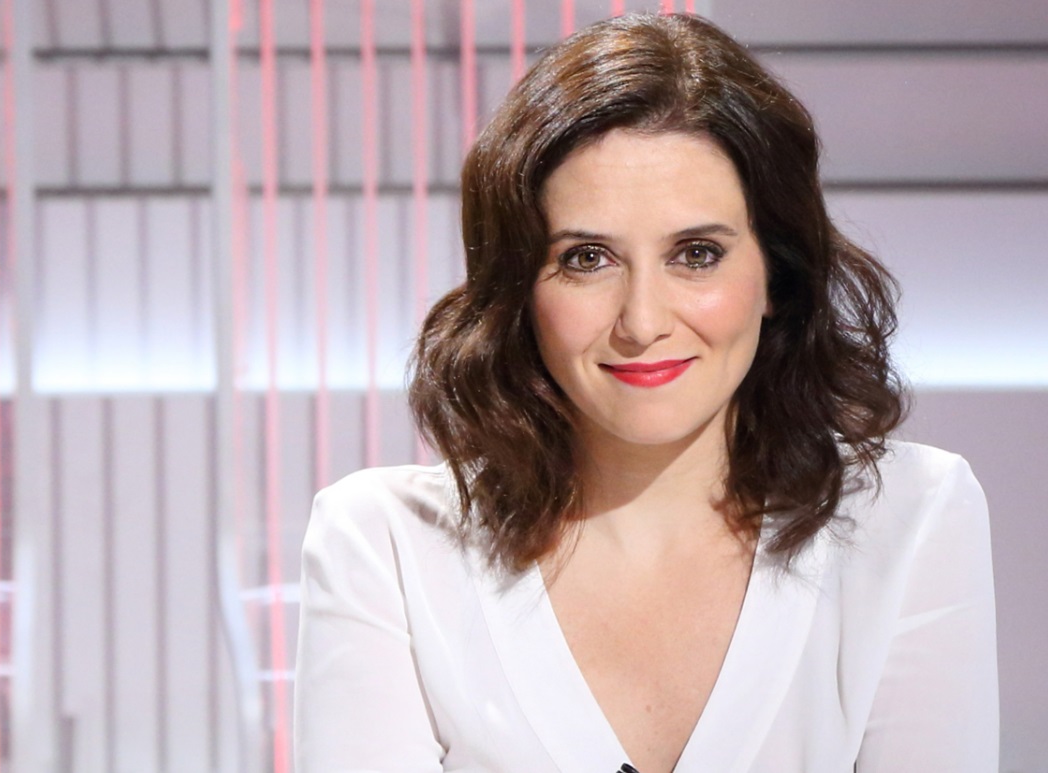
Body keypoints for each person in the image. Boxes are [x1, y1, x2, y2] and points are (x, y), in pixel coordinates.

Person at [295, 12, 997, 773]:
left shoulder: (910, 517)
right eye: (587, 258)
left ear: (776, 274)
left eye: (696, 254)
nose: (642, 321)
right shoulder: (388, 545)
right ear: (520, 288)